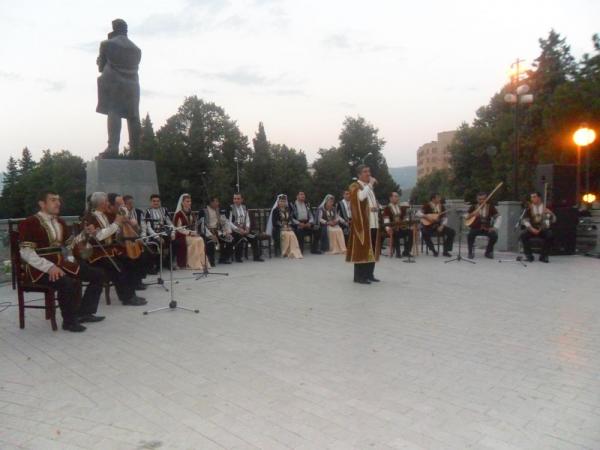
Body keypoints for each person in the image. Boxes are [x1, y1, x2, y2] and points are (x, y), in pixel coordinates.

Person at [18, 191, 106, 332]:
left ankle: (84, 313)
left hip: (61, 264)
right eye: (53, 200)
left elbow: (70, 245)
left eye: (58, 200)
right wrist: (49, 267)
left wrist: (85, 234)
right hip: (38, 269)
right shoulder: (29, 223)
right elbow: (26, 253)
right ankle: (69, 322)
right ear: (42, 204)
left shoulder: (60, 222)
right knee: (66, 282)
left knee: (98, 275)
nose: (58, 203)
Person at [78, 192, 146, 306]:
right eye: (106, 201)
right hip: (96, 253)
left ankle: (131, 293)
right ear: (101, 203)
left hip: (108, 250)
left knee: (129, 260)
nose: (108, 203)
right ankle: (127, 298)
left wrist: (124, 225)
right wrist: (116, 223)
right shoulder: (90, 218)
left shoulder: (105, 215)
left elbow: (114, 233)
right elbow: (99, 236)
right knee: (118, 267)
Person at [96, 19, 142, 158]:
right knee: (133, 116)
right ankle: (136, 150)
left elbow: (101, 67)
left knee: (114, 111)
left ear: (114, 28)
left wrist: (99, 61)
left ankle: (113, 147)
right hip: (133, 86)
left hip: (114, 83)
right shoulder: (136, 49)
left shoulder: (107, 44)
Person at [346, 165, 381, 284]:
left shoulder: (369, 187)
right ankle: (359, 276)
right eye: (365, 171)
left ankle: (369, 274)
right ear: (359, 175)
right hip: (362, 224)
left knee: (372, 249)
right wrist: (370, 184)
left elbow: (371, 203)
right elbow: (361, 197)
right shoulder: (354, 186)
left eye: (369, 171)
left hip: (373, 222)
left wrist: (377, 208)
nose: (368, 173)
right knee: (362, 249)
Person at [172, 194, 209, 270]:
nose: (189, 203)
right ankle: (192, 264)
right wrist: (190, 233)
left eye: (190, 201)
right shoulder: (178, 214)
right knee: (195, 241)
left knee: (200, 239)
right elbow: (178, 229)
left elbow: (194, 224)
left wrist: (195, 231)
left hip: (191, 234)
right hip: (181, 235)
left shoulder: (191, 213)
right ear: (182, 203)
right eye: (187, 201)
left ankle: (202, 262)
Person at [227, 193, 264, 263]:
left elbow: (247, 219)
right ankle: (238, 257)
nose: (236, 200)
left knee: (254, 237)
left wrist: (247, 228)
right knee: (239, 237)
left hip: (244, 230)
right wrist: (238, 229)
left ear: (242, 200)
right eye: (234, 199)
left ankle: (256, 257)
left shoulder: (244, 207)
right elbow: (229, 222)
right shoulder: (231, 208)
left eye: (238, 199)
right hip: (235, 230)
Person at [520, 191, 556, 263]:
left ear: (539, 198)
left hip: (542, 229)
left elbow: (554, 220)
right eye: (531, 197)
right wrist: (531, 229)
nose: (532, 199)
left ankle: (544, 256)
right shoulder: (529, 208)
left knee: (550, 235)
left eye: (534, 197)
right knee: (523, 235)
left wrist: (551, 213)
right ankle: (529, 255)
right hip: (532, 228)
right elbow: (525, 220)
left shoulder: (546, 207)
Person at [466, 192, 501, 259]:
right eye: (480, 199)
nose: (481, 201)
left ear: (486, 199)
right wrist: (473, 214)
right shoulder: (473, 207)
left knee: (494, 236)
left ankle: (488, 252)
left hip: (487, 227)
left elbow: (498, 217)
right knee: (470, 235)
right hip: (476, 227)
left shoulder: (490, 207)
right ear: (477, 199)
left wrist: (495, 227)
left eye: (483, 199)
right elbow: (466, 217)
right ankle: (470, 252)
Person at [267, 194, 303, 259]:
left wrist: (289, 226)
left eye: (284, 201)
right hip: (279, 229)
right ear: (278, 202)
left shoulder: (287, 210)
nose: (282, 203)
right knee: (286, 234)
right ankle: (285, 252)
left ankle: (293, 251)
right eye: (281, 201)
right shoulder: (275, 211)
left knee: (292, 235)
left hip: (288, 228)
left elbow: (290, 220)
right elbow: (274, 222)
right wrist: (282, 226)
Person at [145, 194, 174, 270]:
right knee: (157, 243)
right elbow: (148, 228)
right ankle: (157, 265)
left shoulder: (164, 210)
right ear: (151, 202)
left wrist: (173, 233)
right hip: (154, 234)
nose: (156, 203)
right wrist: (157, 237)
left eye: (157, 201)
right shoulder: (148, 212)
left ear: (160, 202)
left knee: (174, 241)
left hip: (164, 232)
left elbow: (170, 223)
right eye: (154, 201)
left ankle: (168, 262)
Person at [202, 197, 234, 265]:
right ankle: (210, 261)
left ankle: (224, 258)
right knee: (211, 241)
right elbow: (202, 226)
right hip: (208, 232)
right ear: (211, 203)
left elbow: (225, 221)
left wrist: (227, 231)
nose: (218, 203)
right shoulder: (204, 211)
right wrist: (210, 235)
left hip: (218, 231)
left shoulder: (218, 210)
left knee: (230, 238)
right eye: (216, 201)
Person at [383, 192, 414, 258]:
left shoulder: (401, 208)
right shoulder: (387, 208)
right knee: (396, 232)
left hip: (401, 228)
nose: (397, 198)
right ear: (390, 198)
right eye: (395, 196)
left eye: (397, 196)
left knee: (410, 232)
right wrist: (388, 229)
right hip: (392, 229)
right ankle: (398, 252)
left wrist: (407, 222)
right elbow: (386, 220)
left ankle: (406, 251)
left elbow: (405, 218)